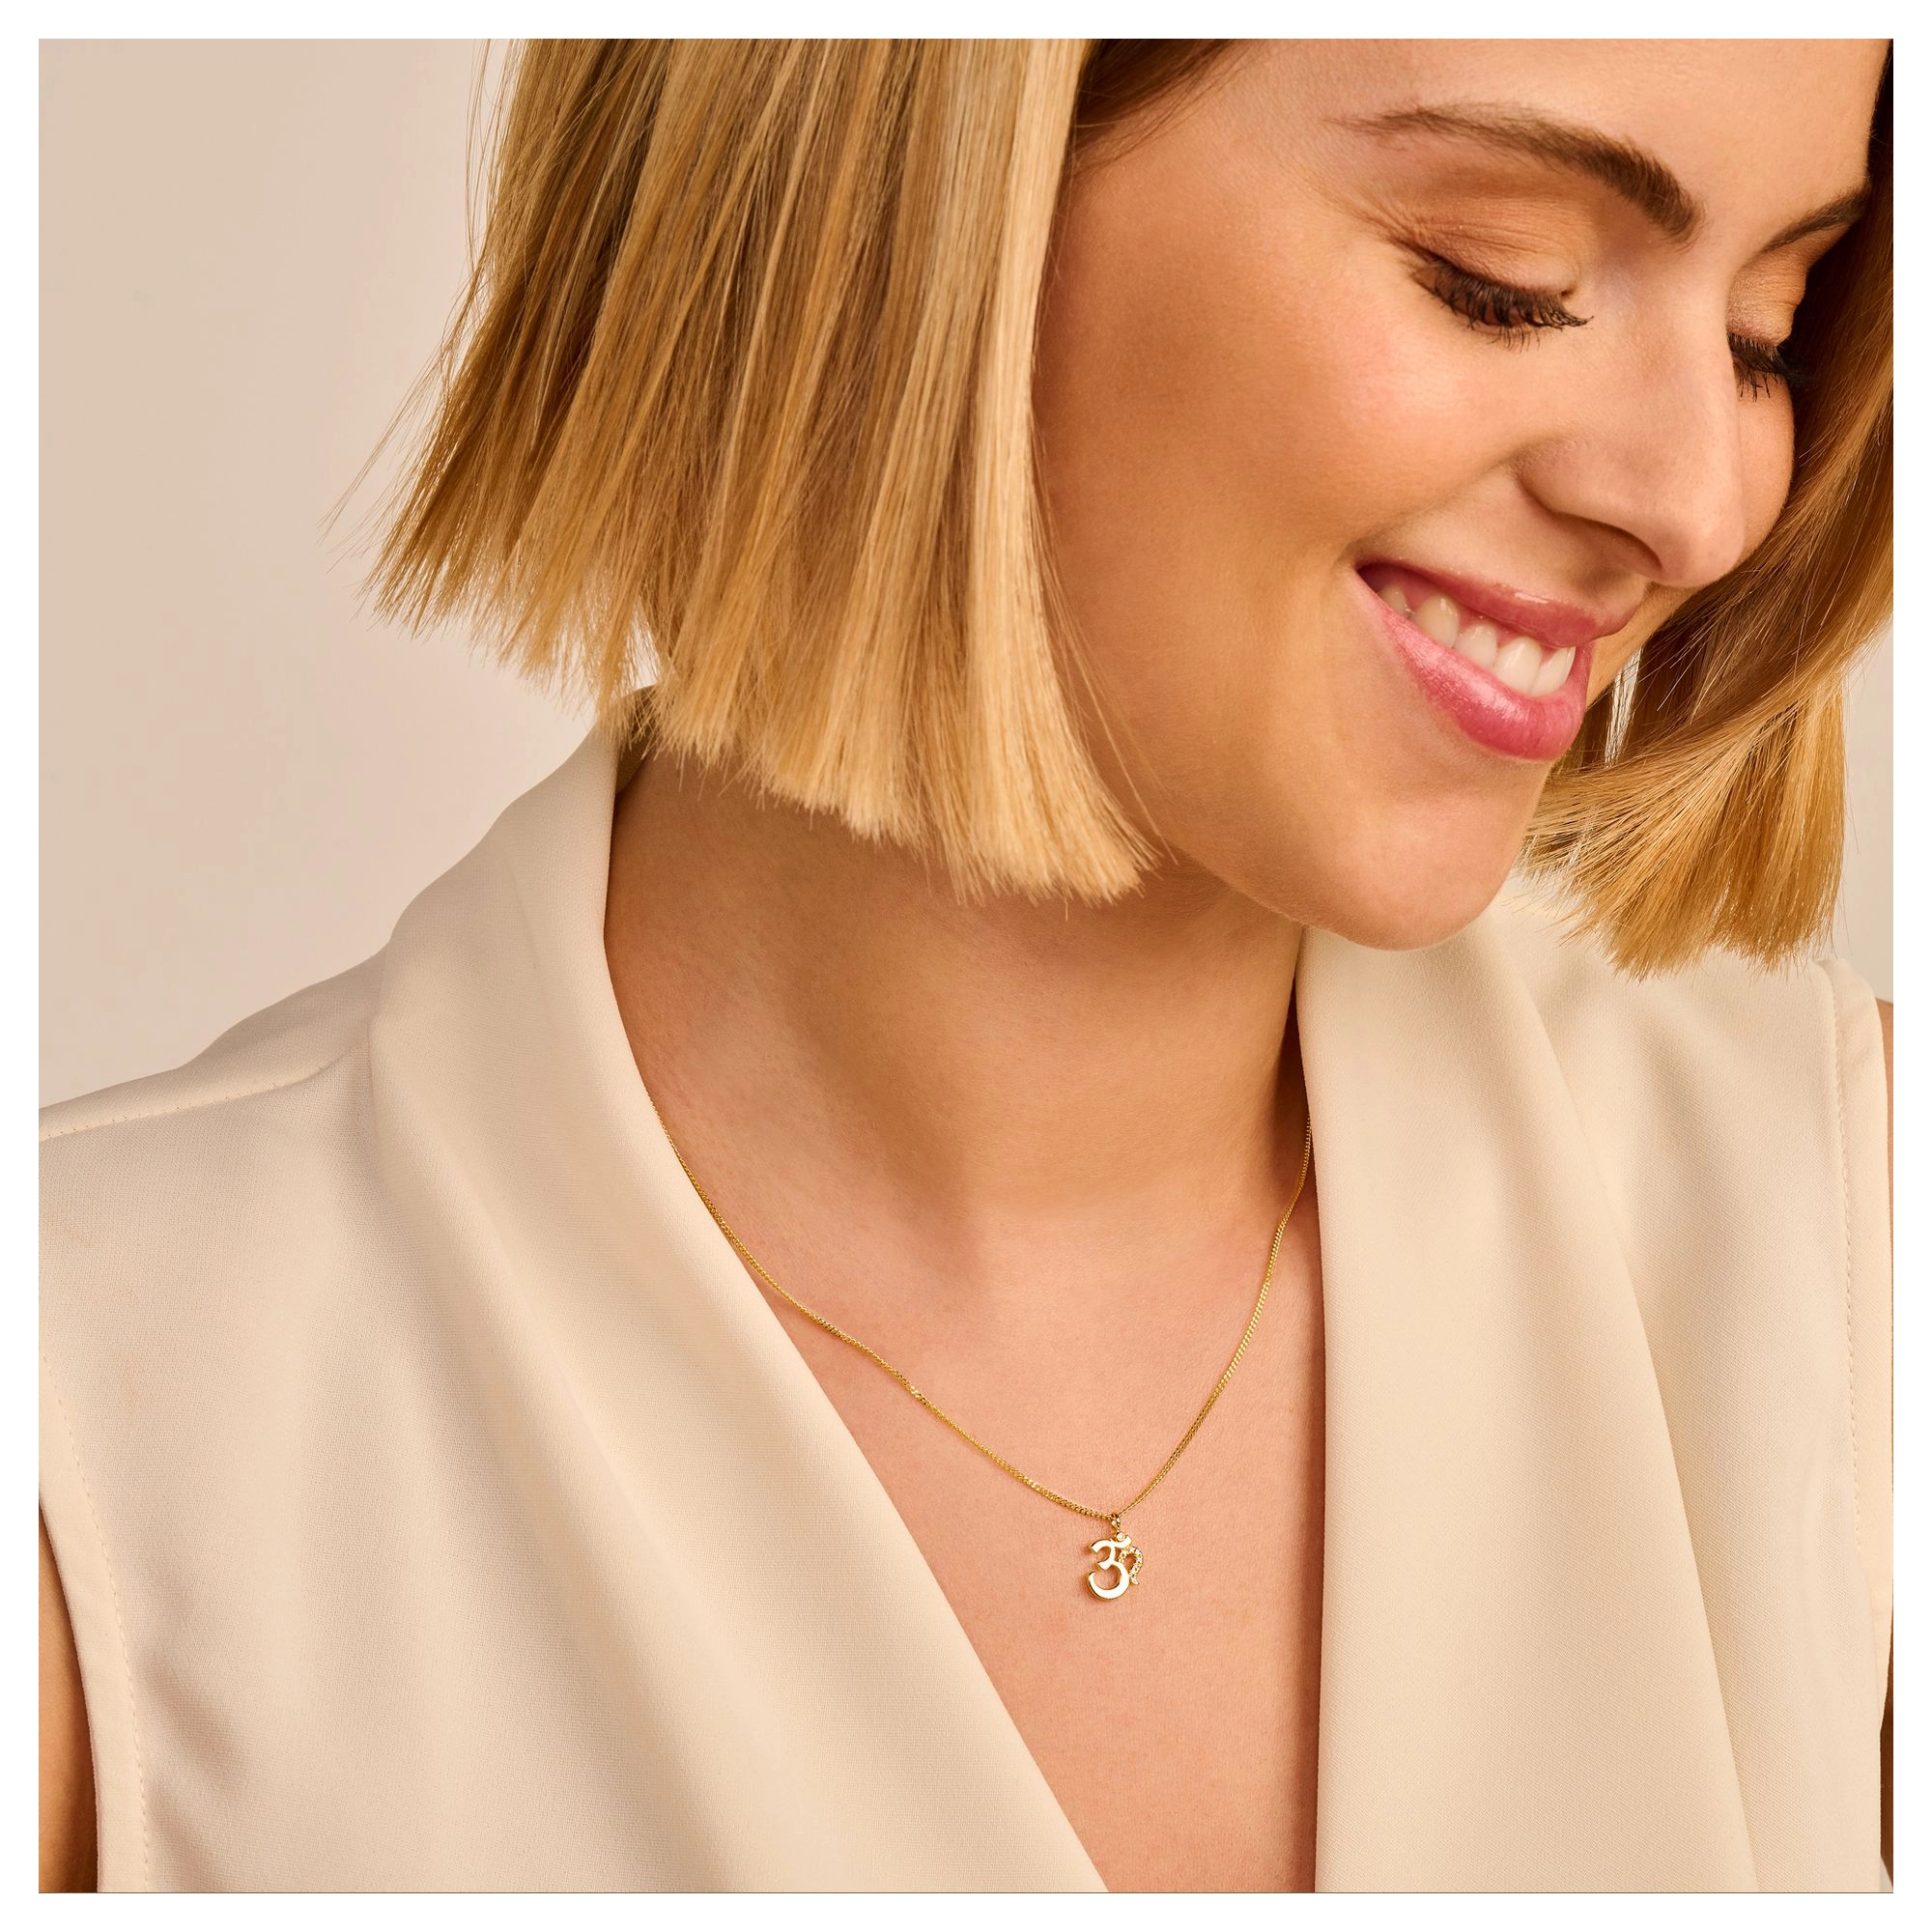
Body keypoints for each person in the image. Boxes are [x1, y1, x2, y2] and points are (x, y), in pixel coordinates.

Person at [41, 39, 1893, 1892]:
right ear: (911, 187)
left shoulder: (1840, 1274)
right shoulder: (101, 1478)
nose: (1701, 507)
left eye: (1768, 332)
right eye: (1502, 280)